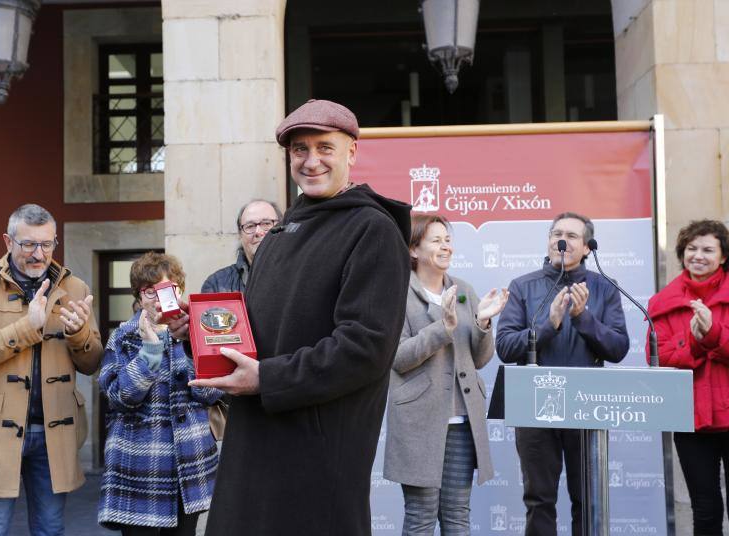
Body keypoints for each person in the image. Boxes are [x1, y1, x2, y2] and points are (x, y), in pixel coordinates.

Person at [165, 98, 412, 536]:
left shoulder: (372, 230)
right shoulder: (279, 234)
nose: (311, 160)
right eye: (300, 149)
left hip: (314, 458)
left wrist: (268, 378)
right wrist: (199, 331)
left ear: (352, 152)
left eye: (325, 147)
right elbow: (258, 334)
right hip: (255, 443)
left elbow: (365, 347)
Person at [0, 203, 103, 536]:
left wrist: (78, 334)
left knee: (50, 528)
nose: (39, 254)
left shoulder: (76, 290)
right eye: (29, 244)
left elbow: (92, 364)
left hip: (54, 431)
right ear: (8, 242)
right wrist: (25, 328)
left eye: (47, 244)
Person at [495, 212, 630, 536]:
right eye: (557, 234)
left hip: (587, 407)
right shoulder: (523, 286)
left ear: (587, 248)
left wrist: (583, 318)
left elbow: (618, 347)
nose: (562, 241)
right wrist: (550, 324)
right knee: (539, 500)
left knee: (588, 499)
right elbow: (505, 347)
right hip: (535, 408)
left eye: (571, 236)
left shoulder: (605, 287)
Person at [384, 214, 508, 536]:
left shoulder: (463, 290)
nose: (446, 247)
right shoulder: (397, 293)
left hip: (462, 422)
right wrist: (444, 327)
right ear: (414, 249)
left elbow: (480, 359)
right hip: (418, 423)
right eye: (436, 240)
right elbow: (397, 358)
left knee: (457, 516)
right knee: (421, 518)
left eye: (448, 240)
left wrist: (482, 323)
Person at [98, 252, 223, 535]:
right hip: (138, 464)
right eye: (150, 291)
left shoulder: (198, 331)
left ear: (179, 291)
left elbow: (211, 392)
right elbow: (119, 397)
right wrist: (150, 353)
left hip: (189, 464)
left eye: (168, 289)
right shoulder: (123, 336)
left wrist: (190, 345)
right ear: (139, 296)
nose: (158, 298)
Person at [647, 219, 729, 535]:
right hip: (691, 419)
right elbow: (658, 357)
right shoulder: (662, 301)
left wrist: (714, 333)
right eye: (691, 248)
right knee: (705, 508)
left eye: (708, 250)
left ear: (723, 256)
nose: (698, 256)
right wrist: (695, 342)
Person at [201, 199, 282, 293]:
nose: (258, 232)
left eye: (266, 223)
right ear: (240, 235)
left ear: (282, 228)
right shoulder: (217, 285)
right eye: (250, 226)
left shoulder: (295, 277)